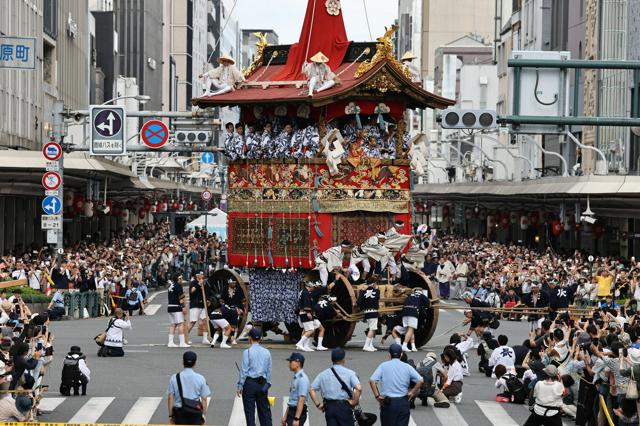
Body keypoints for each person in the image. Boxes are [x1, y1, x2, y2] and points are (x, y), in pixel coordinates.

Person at [369, 344, 423, 426]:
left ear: (389, 355)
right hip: (403, 402)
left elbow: (372, 380)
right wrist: (412, 392)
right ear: (401, 354)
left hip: (388, 403)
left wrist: (377, 396)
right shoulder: (407, 367)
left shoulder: (383, 366)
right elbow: (420, 380)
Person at [310, 347, 363, 426]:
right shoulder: (350, 373)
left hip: (329, 407)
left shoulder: (323, 374)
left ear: (332, 359)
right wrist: (354, 402)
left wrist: (318, 404)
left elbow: (311, 389)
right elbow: (359, 388)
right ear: (343, 359)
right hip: (344, 406)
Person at [237, 328, 272, 426]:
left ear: (250, 338)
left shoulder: (247, 352)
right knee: (264, 412)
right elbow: (269, 371)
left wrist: (240, 386)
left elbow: (244, 371)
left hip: (250, 384)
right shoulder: (267, 352)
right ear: (260, 338)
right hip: (262, 383)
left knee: (249, 413)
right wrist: (267, 384)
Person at [167, 351, 211, 425]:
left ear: (183, 362)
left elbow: (170, 397)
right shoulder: (201, 378)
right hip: (195, 414)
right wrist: (203, 415)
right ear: (195, 363)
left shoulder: (174, 377)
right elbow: (204, 399)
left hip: (179, 414)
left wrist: (171, 416)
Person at [282, 352, 310, 426]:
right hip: (292, 411)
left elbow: (301, 399)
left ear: (298, 363)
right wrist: (285, 416)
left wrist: (296, 418)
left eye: (291, 362)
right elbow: (292, 399)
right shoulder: (296, 378)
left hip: (297, 413)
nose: (289, 364)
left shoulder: (302, 379)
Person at [357, 277, 380, 352]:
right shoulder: (377, 291)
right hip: (373, 311)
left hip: (367, 312)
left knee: (371, 328)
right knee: (372, 329)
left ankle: (370, 345)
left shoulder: (363, 292)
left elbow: (359, 302)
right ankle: (366, 345)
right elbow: (377, 298)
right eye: (375, 283)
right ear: (373, 284)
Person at [167, 277, 190, 348]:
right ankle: (182, 343)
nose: (182, 279)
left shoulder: (171, 285)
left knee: (172, 325)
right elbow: (181, 298)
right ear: (177, 279)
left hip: (170, 307)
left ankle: (170, 342)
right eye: (180, 278)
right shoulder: (178, 285)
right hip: (176, 307)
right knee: (180, 324)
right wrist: (183, 307)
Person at [188, 272, 210, 345]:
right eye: (201, 274)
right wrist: (199, 284)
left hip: (203, 305)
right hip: (195, 304)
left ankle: (205, 338)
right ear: (197, 275)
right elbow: (192, 291)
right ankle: (185, 337)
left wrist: (207, 300)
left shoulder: (205, 283)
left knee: (205, 321)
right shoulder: (193, 282)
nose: (202, 275)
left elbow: (207, 293)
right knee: (193, 322)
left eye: (203, 274)